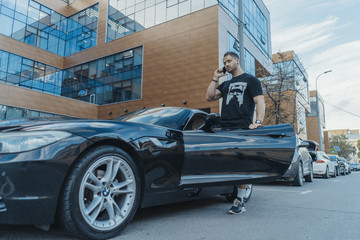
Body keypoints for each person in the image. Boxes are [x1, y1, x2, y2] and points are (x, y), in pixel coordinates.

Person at [206, 51, 265, 215]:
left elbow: (259, 101)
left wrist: (258, 122)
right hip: (224, 128)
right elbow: (209, 97)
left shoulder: (251, 80)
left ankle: (239, 200)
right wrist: (215, 78)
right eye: (225, 62)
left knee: (240, 164)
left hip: (242, 127)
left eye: (229, 61)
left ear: (237, 61)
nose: (226, 65)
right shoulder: (225, 85)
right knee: (228, 164)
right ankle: (234, 192)